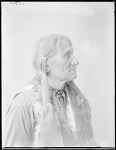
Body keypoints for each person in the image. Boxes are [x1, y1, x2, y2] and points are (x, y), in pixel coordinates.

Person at [4, 34, 100, 147]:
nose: (76, 62)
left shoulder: (77, 98)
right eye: (67, 55)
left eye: (73, 54)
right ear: (46, 65)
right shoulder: (23, 105)